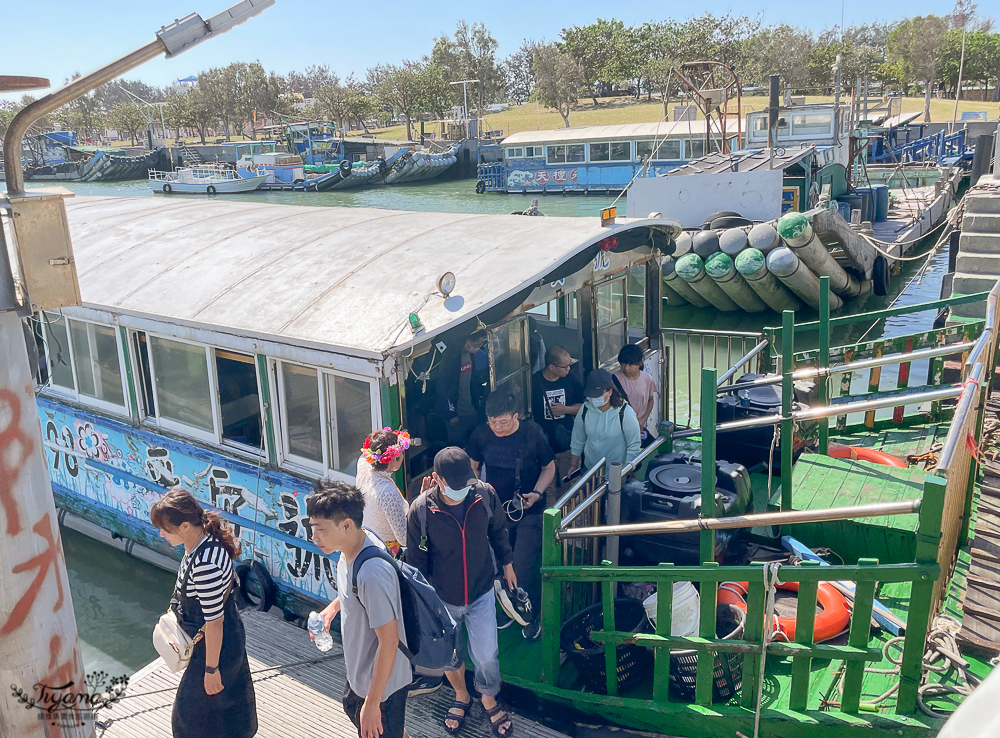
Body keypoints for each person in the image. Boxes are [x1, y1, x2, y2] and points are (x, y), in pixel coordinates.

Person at [406, 448, 515, 737]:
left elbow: (498, 530)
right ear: (438, 480)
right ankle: (462, 695)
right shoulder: (420, 511)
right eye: (455, 486)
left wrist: (507, 564)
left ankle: (489, 697)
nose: (463, 490)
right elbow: (416, 563)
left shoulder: (485, 494)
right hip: (442, 599)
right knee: (450, 655)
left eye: (466, 483)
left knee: (487, 655)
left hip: (481, 591)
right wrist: (422, 604)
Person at [150, 488, 257, 738]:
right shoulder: (203, 541)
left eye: (165, 529)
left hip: (214, 647)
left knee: (191, 717)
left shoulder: (205, 564)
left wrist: (211, 669)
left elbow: (215, 621)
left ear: (185, 525)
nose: (161, 533)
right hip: (218, 639)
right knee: (224, 709)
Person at [309, 481, 413, 738]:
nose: (314, 537)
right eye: (312, 529)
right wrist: (332, 609)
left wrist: (373, 703)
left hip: (381, 688)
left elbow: (389, 641)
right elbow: (353, 593)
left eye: (320, 530)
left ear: (346, 524)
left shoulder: (372, 574)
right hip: (361, 675)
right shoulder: (352, 545)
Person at [466, 390, 554, 641]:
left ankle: (531, 613)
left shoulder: (532, 433)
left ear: (515, 416)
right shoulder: (481, 434)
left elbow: (549, 467)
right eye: (492, 422)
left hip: (529, 509)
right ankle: (507, 608)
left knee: (523, 564)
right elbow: (472, 466)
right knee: (498, 564)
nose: (497, 427)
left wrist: (537, 493)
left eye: (503, 422)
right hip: (495, 513)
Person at [530, 346, 584, 489]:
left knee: (570, 484)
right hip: (544, 445)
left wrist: (566, 409)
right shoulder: (533, 382)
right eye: (565, 367)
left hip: (567, 443)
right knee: (548, 489)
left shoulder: (571, 379)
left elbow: (585, 406)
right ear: (552, 367)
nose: (569, 369)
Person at [570, 368, 642, 473]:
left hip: (616, 472)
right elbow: (577, 440)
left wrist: (625, 472)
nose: (594, 399)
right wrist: (573, 465)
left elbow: (633, 445)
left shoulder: (625, 412)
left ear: (610, 391)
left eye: (598, 394)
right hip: (590, 470)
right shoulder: (585, 409)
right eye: (592, 395)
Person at [355, 428, 412, 557]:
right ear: (394, 460)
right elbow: (404, 539)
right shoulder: (388, 493)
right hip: (385, 553)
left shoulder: (363, 466)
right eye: (401, 453)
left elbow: (364, 456)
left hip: (365, 543)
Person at [437, 330, 489, 447]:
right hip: (456, 413)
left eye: (481, 345)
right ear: (468, 340)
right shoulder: (452, 358)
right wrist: (452, 414)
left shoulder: (471, 355)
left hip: (471, 408)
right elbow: (444, 387)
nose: (478, 348)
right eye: (476, 345)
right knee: (457, 445)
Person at [614, 344, 658, 446]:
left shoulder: (647, 379)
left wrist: (643, 419)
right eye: (623, 364)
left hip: (639, 425)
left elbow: (650, 400)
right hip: (620, 427)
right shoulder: (614, 380)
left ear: (639, 363)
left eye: (630, 364)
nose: (626, 368)